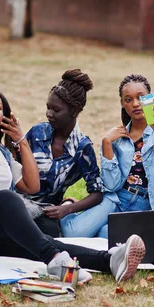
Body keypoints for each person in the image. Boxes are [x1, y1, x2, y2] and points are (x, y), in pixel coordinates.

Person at [0, 87, 146, 283]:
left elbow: (32, 186)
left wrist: (21, 141)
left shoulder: (4, 155)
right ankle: (55, 261)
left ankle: (109, 260)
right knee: (8, 199)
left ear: (4, 118)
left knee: (44, 241)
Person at [22, 69, 111, 238]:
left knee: (48, 234)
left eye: (56, 110)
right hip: (19, 204)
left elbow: (97, 193)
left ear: (75, 111)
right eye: (48, 107)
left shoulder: (82, 148)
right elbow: (13, 164)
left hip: (46, 214)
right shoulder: (36, 133)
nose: (49, 114)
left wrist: (66, 209)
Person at [91, 74, 154, 238]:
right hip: (118, 200)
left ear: (150, 99)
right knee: (82, 233)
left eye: (141, 97)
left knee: (105, 234)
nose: (136, 104)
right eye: (128, 99)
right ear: (122, 103)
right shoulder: (118, 138)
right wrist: (106, 143)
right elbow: (111, 184)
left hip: (148, 204)